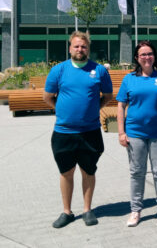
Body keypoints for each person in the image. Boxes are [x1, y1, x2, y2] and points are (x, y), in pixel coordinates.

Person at [43, 31, 113, 228]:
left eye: (83, 46)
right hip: (63, 132)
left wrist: (94, 109)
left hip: (90, 132)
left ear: (88, 49)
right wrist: (62, 110)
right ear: (70, 48)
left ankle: (87, 210)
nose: (80, 49)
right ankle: (67, 212)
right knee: (66, 172)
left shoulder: (99, 71)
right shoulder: (59, 70)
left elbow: (107, 96)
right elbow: (48, 97)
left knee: (88, 171)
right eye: (76, 46)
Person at [117, 41, 157, 227]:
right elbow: (121, 106)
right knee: (137, 172)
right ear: (137, 58)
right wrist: (121, 132)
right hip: (135, 133)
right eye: (143, 54)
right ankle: (135, 210)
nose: (147, 57)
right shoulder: (129, 79)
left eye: (150, 54)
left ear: (155, 56)